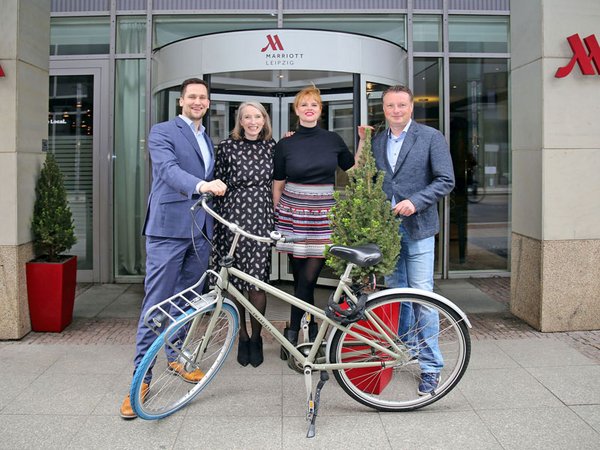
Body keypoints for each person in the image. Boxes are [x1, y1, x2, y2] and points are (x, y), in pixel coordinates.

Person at [120, 78, 227, 419]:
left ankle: (175, 357)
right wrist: (201, 184)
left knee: (185, 302)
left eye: (203, 98)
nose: (198, 102)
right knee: (156, 304)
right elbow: (168, 171)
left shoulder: (206, 137)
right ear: (181, 101)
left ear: (208, 103)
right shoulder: (162, 131)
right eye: (192, 97)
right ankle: (141, 381)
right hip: (167, 230)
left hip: (199, 232)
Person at [358, 85, 455, 396]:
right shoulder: (377, 141)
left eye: (401, 105)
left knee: (423, 298)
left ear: (412, 107)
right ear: (384, 109)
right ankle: (407, 347)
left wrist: (415, 201)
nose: (396, 110)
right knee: (396, 296)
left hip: (419, 228)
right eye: (390, 106)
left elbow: (445, 179)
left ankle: (431, 368)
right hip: (389, 232)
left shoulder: (430, 137)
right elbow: (369, 180)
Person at [273, 85, 361, 360]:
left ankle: (294, 332)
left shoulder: (333, 139)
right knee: (301, 278)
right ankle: (309, 333)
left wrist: (365, 142)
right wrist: (278, 216)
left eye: (314, 105)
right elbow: (278, 183)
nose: (309, 109)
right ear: (296, 110)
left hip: (323, 215)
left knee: (308, 278)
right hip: (293, 215)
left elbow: (353, 169)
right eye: (304, 105)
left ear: (320, 110)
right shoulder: (285, 143)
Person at [212, 102, 276, 368]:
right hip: (233, 219)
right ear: (239, 121)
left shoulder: (274, 148)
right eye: (246, 117)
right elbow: (218, 181)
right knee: (236, 282)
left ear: (264, 119)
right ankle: (242, 336)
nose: (252, 121)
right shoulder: (226, 147)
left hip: (260, 218)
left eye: (257, 116)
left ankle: (258, 337)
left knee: (257, 283)